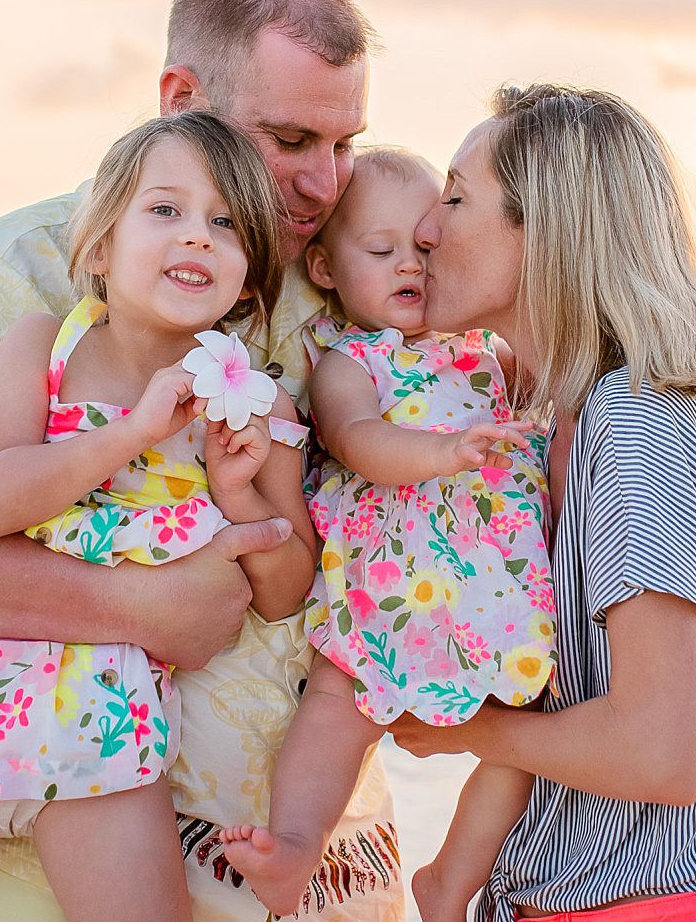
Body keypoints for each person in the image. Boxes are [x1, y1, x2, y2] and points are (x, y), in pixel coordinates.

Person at [0, 0, 404, 921]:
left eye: (342, 144)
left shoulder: (347, 274)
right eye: (290, 138)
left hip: (315, 878)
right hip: (52, 865)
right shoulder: (29, 270)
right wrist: (140, 609)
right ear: (178, 97)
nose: (323, 182)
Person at [0, 113, 317, 922]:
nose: (196, 237)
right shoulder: (42, 345)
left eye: (225, 224)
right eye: (165, 210)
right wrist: (133, 432)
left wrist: (237, 491)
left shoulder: (251, 399)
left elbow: (287, 589)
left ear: (250, 276)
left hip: (104, 717)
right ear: (98, 248)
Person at [389, 85, 696, 922]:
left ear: (548, 231)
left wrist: (473, 729)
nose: (427, 227)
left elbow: (665, 750)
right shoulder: (559, 421)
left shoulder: (637, 422)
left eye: (457, 198)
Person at [218, 147, 554, 921]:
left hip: (489, 587)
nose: (410, 265)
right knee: (337, 706)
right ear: (329, 270)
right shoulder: (346, 360)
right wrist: (441, 452)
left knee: (523, 731)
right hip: (387, 588)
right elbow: (355, 437)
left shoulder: (482, 351)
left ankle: (451, 878)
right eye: (381, 251)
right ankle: (296, 846)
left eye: (426, 247)